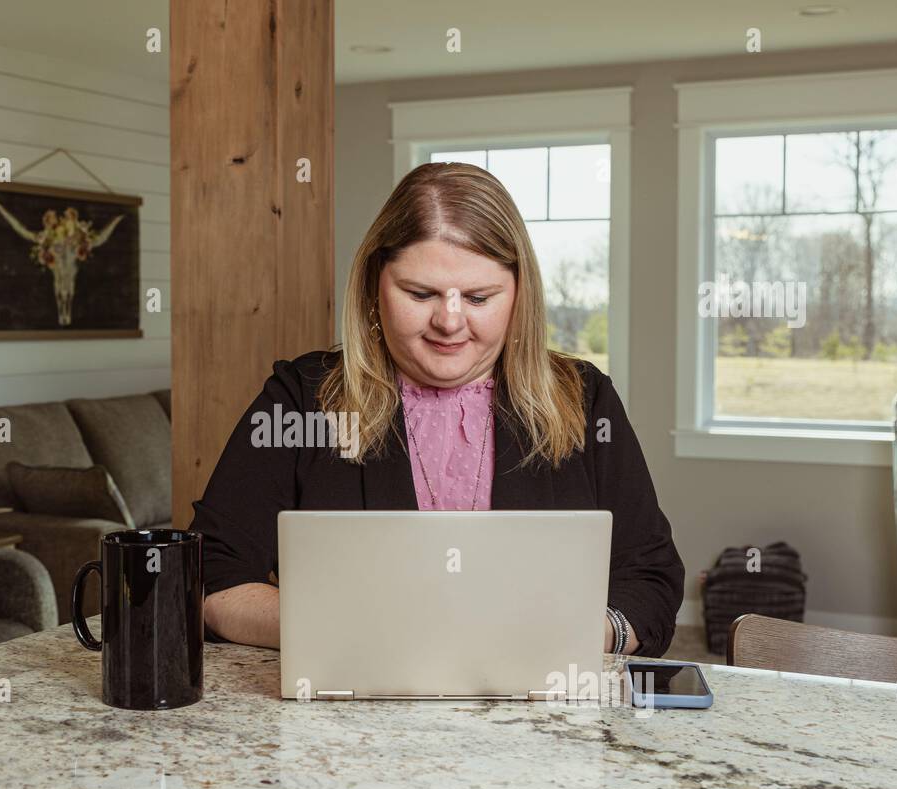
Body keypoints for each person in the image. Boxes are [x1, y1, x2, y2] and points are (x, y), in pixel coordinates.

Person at [189, 162, 684, 657]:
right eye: (419, 293)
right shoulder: (302, 398)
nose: (449, 321)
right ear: (372, 288)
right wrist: (345, 625)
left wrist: (579, 635)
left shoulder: (585, 398)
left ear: (519, 297)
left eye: (478, 297)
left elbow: (650, 577)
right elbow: (211, 574)